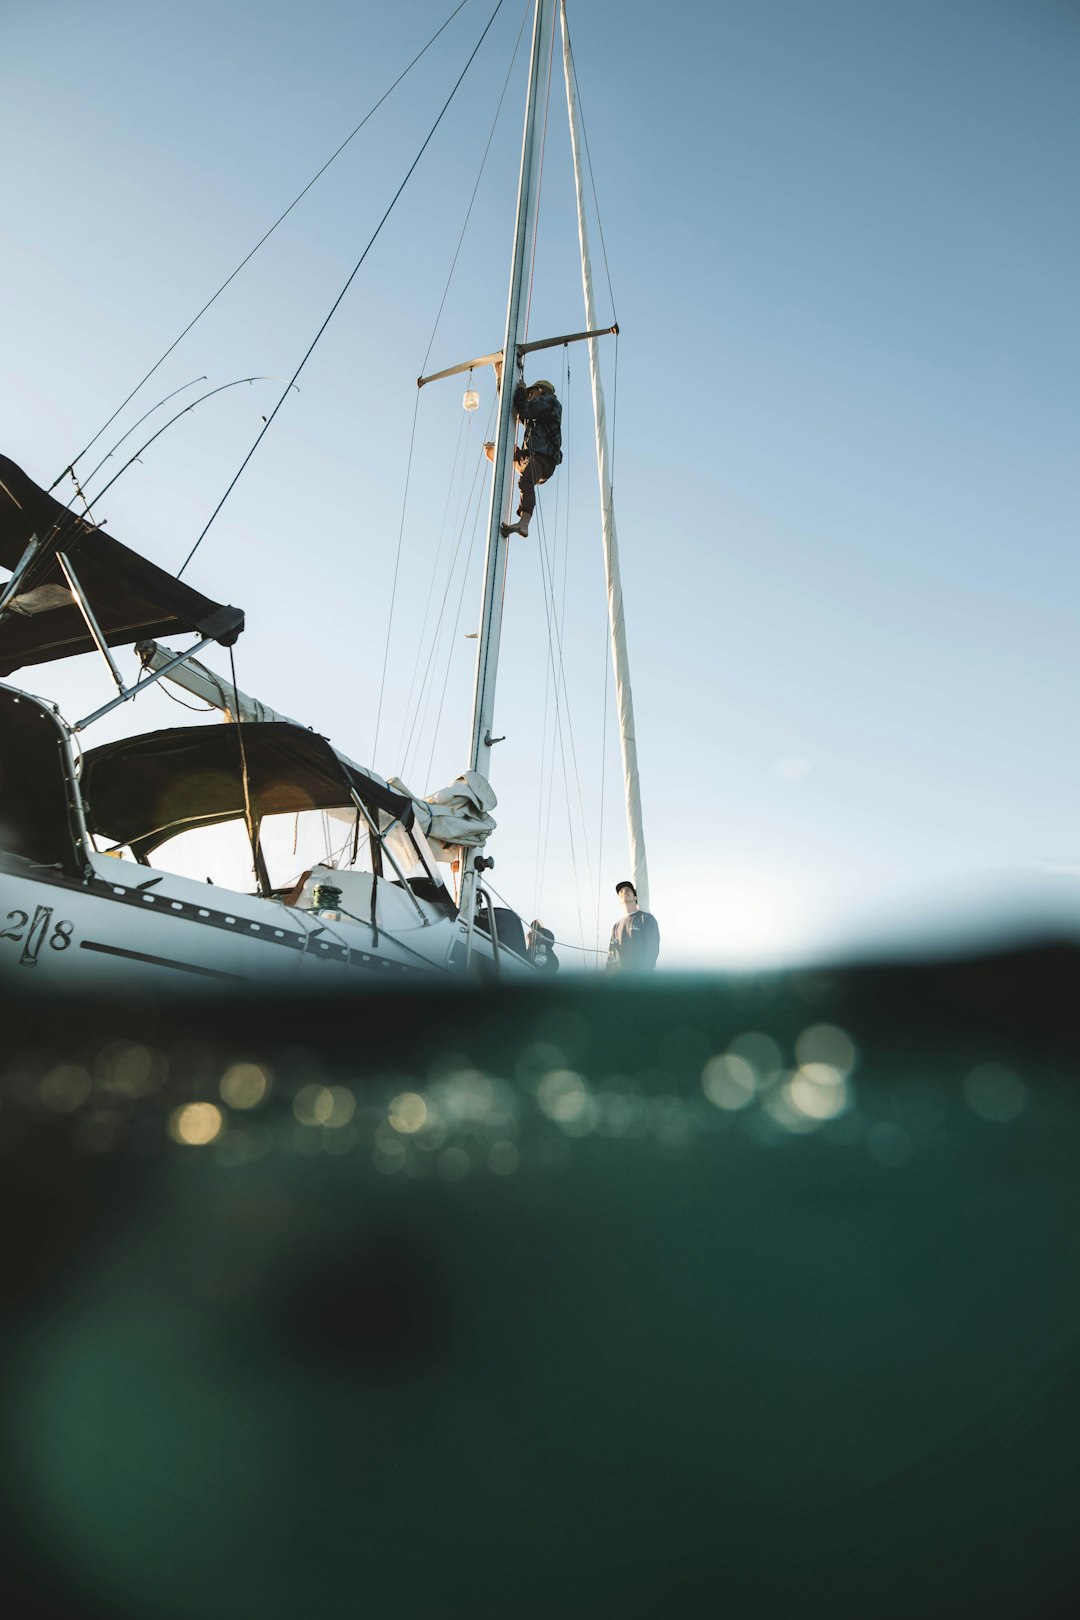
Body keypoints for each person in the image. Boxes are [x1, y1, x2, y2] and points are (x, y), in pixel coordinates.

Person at [483, 378, 562, 538]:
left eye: (531, 393)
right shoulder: (538, 415)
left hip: (542, 457)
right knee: (516, 461)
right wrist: (502, 383)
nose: (529, 396)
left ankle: (524, 523)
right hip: (532, 457)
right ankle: (505, 456)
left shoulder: (550, 402)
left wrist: (520, 390)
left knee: (525, 482)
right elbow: (517, 410)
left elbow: (524, 409)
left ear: (541, 390)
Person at [606, 880, 660, 973]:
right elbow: (612, 954)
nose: (624, 892)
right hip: (620, 979)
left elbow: (652, 949)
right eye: (621, 891)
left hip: (642, 978)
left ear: (635, 897)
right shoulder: (616, 926)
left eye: (627, 890)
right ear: (619, 899)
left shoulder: (646, 919)